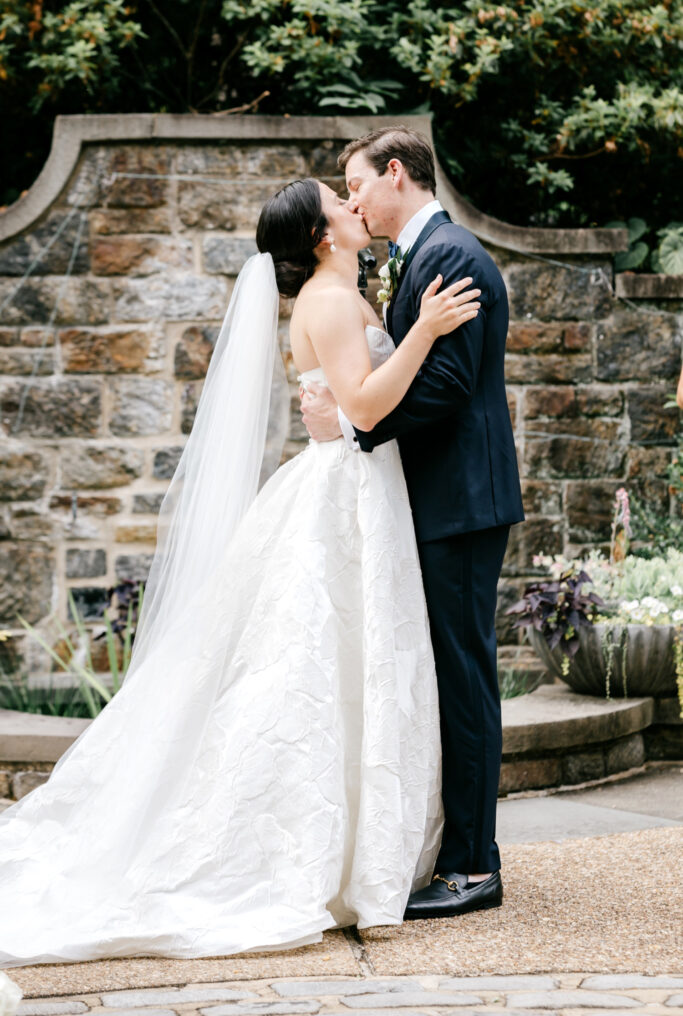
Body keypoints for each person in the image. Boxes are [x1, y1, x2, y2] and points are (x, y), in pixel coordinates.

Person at [0, 177, 482, 967]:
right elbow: (362, 408)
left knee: (353, 665)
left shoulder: (341, 292)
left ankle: (358, 848)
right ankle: (309, 850)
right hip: (345, 497)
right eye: (339, 201)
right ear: (323, 234)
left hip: (365, 491)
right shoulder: (328, 303)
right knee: (316, 665)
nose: (354, 206)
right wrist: (425, 331)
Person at [301, 126, 525, 920]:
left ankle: (473, 867)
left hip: (459, 501)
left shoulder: (452, 256)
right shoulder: (421, 258)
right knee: (449, 676)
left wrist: (357, 427)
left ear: (394, 173)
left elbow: (448, 387)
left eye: (355, 182)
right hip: (439, 498)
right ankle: (458, 851)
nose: (352, 197)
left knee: (464, 679)